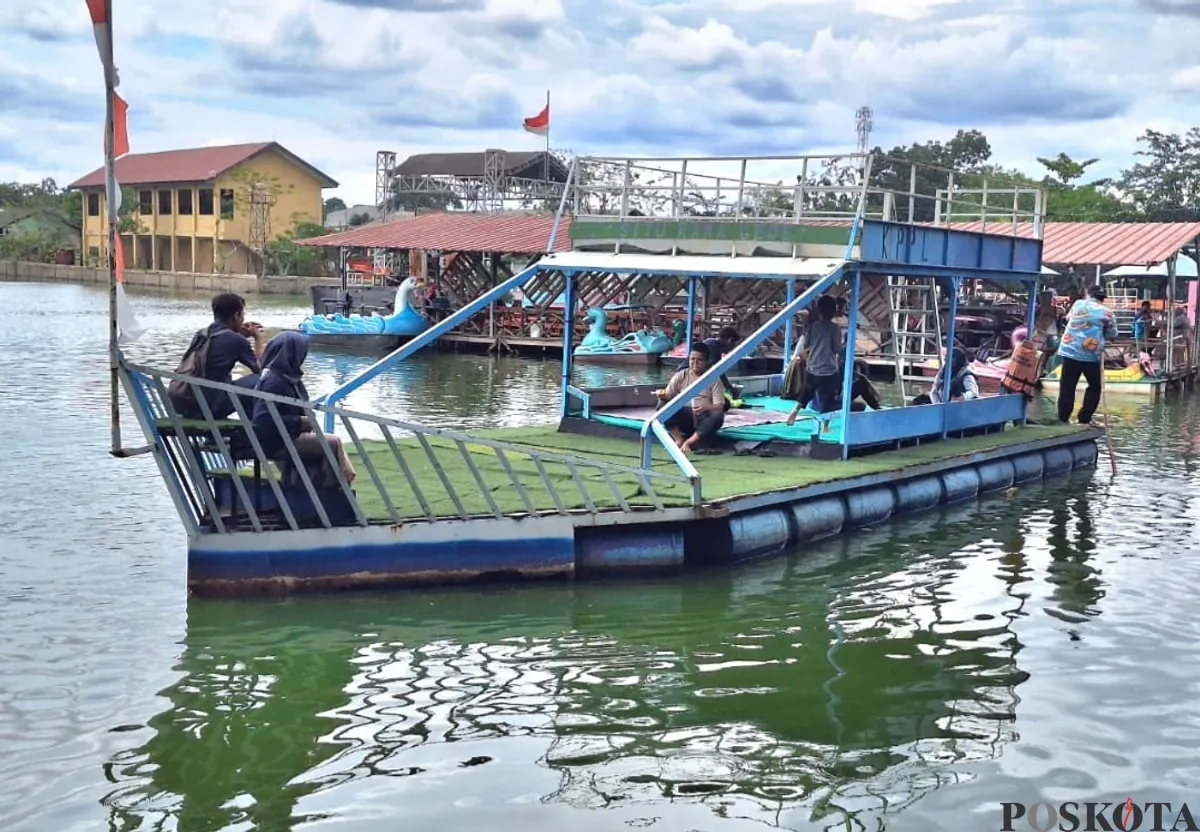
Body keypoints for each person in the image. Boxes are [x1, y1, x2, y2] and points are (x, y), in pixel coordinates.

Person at [251, 332, 357, 484]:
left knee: (327, 441)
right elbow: (262, 419)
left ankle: (321, 484)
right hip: (277, 441)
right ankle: (333, 490)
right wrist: (299, 421)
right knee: (333, 442)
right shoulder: (275, 381)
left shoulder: (287, 378)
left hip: (287, 435)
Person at [172, 292, 266, 419]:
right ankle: (255, 428)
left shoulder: (201, 334)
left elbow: (221, 345)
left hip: (187, 403)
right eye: (242, 314)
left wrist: (237, 332)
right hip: (208, 408)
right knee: (259, 380)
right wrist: (258, 339)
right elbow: (262, 369)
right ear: (236, 315)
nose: (243, 319)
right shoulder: (236, 341)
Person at [1055, 284, 1117, 425]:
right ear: (1102, 299)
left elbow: (1067, 319)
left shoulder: (1078, 304)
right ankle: (1084, 417)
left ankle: (1063, 418)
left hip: (1070, 351)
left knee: (1067, 386)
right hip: (1091, 355)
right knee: (1095, 387)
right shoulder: (1107, 313)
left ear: (1088, 295)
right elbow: (1112, 334)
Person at [655, 341, 725, 454]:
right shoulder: (681, 375)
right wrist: (662, 395)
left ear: (707, 362)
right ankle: (678, 439)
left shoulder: (714, 379)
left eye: (700, 360)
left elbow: (720, 406)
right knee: (661, 404)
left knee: (718, 415)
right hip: (684, 417)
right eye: (692, 359)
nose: (695, 363)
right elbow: (668, 395)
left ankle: (690, 442)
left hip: (702, 418)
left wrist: (707, 407)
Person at [798, 295, 842, 413]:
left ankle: (795, 411)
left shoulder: (813, 327)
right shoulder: (835, 328)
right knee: (831, 394)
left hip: (812, 368)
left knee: (807, 392)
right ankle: (827, 418)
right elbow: (836, 348)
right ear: (834, 311)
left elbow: (806, 346)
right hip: (828, 370)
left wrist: (808, 359)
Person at [678, 326, 741, 396]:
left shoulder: (712, 343)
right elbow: (718, 371)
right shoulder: (713, 347)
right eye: (734, 344)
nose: (732, 348)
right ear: (730, 340)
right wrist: (731, 388)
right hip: (685, 377)